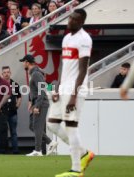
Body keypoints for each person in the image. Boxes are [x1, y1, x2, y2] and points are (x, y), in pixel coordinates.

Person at [46, 9, 94, 177]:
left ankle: (76, 169)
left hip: (75, 90)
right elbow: (63, 66)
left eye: (74, 19)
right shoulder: (67, 38)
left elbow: (82, 70)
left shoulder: (84, 39)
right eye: (70, 18)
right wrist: (58, 87)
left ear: (81, 22)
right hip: (64, 88)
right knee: (52, 123)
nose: (70, 21)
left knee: (71, 126)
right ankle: (83, 153)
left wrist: (74, 95)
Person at [20, 54, 57, 156]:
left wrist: (37, 106)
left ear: (27, 62)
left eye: (24, 62)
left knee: (37, 126)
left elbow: (42, 91)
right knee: (33, 126)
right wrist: (31, 101)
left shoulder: (36, 74)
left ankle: (38, 150)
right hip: (37, 102)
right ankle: (50, 142)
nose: (23, 64)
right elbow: (37, 90)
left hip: (40, 103)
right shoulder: (35, 73)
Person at [1, 66, 22, 154]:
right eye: (4, 72)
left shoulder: (15, 84)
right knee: (2, 132)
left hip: (13, 113)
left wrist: (17, 106)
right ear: (2, 74)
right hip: (2, 113)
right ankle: (3, 151)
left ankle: (15, 151)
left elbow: (19, 97)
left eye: (8, 72)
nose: (6, 74)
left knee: (13, 132)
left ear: (10, 73)